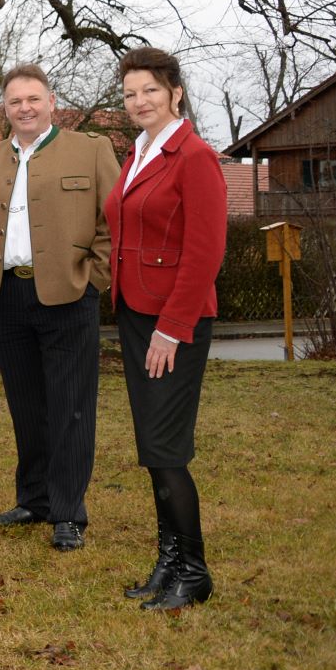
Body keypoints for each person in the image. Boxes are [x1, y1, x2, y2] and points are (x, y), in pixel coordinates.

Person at [0, 65, 119, 551]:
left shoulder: (91, 150)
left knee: (69, 405)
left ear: (52, 101)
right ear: (5, 108)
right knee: (26, 404)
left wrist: (93, 280)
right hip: (3, 297)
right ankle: (34, 500)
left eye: (33, 99)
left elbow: (115, 223)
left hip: (69, 295)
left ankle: (68, 512)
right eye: (15, 102)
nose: (24, 108)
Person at [106, 46, 227, 610]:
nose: (139, 102)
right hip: (136, 313)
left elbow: (205, 252)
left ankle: (194, 571)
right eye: (130, 94)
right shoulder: (137, 153)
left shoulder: (193, 155)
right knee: (153, 447)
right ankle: (168, 562)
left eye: (150, 90)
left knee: (166, 446)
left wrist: (171, 328)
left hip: (172, 322)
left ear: (174, 92)